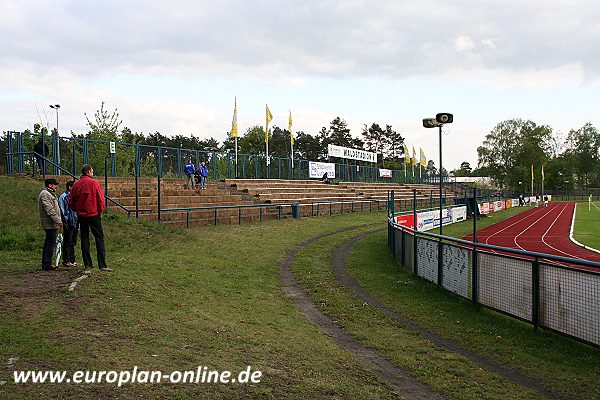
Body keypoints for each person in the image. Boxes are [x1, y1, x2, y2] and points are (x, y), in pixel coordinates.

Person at [69, 164, 112, 272]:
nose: (93, 172)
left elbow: (71, 200)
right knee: (99, 238)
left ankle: (88, 264)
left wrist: (77, 210)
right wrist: (100, 211)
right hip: (93, 214)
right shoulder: (94, 183)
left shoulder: (76, 184)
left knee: (84, 238)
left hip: (81, 215)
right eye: (92, 171)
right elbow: (100, 199)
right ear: (88, 171)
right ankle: (102, 264)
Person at [38, 178, 62, 271]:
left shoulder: (50, 194)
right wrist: (57, 220)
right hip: (50, 223)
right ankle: (47, 264)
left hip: (52, 222)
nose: (56, 186)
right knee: (50, 243)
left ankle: (46, 262)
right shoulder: (45, 194)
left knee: (49, 242)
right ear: (50, 185)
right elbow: (50, 209)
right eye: (55, 184)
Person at [59, 180, 79, 267]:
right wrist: (65, 220)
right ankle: (66, 260)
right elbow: (63, 211)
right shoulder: (63, 197)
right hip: (69, 222)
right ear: (70, 187)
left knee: (73, 241)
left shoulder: (76, 197)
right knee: (68, 241)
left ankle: (72, 259)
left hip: (75, 221)